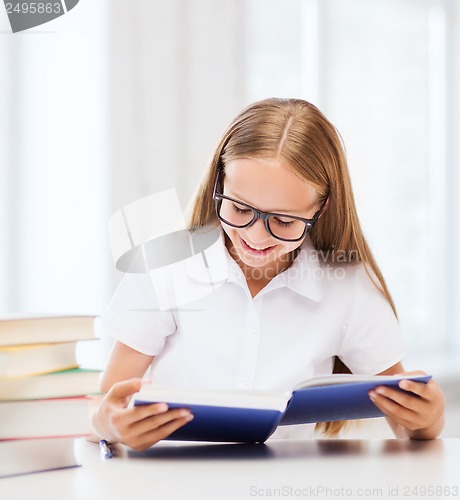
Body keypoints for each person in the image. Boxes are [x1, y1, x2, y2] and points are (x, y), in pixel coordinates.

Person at [91, 98, 445, 451]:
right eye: (240, 208)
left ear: (322, 208)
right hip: (176, 479)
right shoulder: (166, 265)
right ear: (219, 182)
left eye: (284, 221)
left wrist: (428, 419)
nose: (256, 237)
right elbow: (103, 408)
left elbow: (405, 420)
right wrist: (112, 424)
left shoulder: (348, 284)